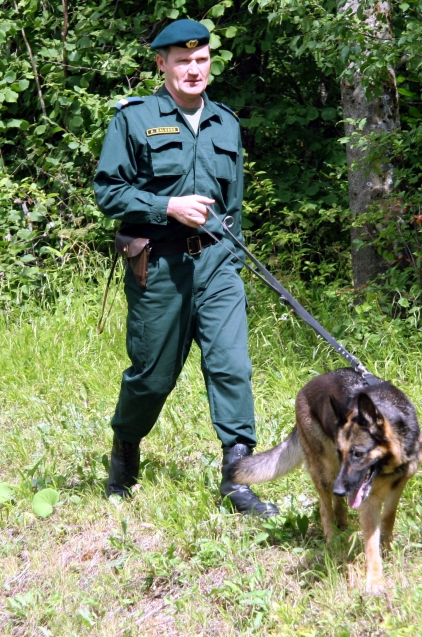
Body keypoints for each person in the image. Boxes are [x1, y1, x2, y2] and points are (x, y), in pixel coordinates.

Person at [93, 20, 278, 516]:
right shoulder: (133, 120)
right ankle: (126, 448)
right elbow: (108, 193)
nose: (193, 69)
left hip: (217, 261)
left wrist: (232, 256)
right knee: (152, 375)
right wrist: (167, 206)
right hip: (159, 262)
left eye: (201, 60)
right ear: (162, 64)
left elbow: (234, 203)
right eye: (182, 60)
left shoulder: (226, 122)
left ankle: (237, 477)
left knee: (231, 364)